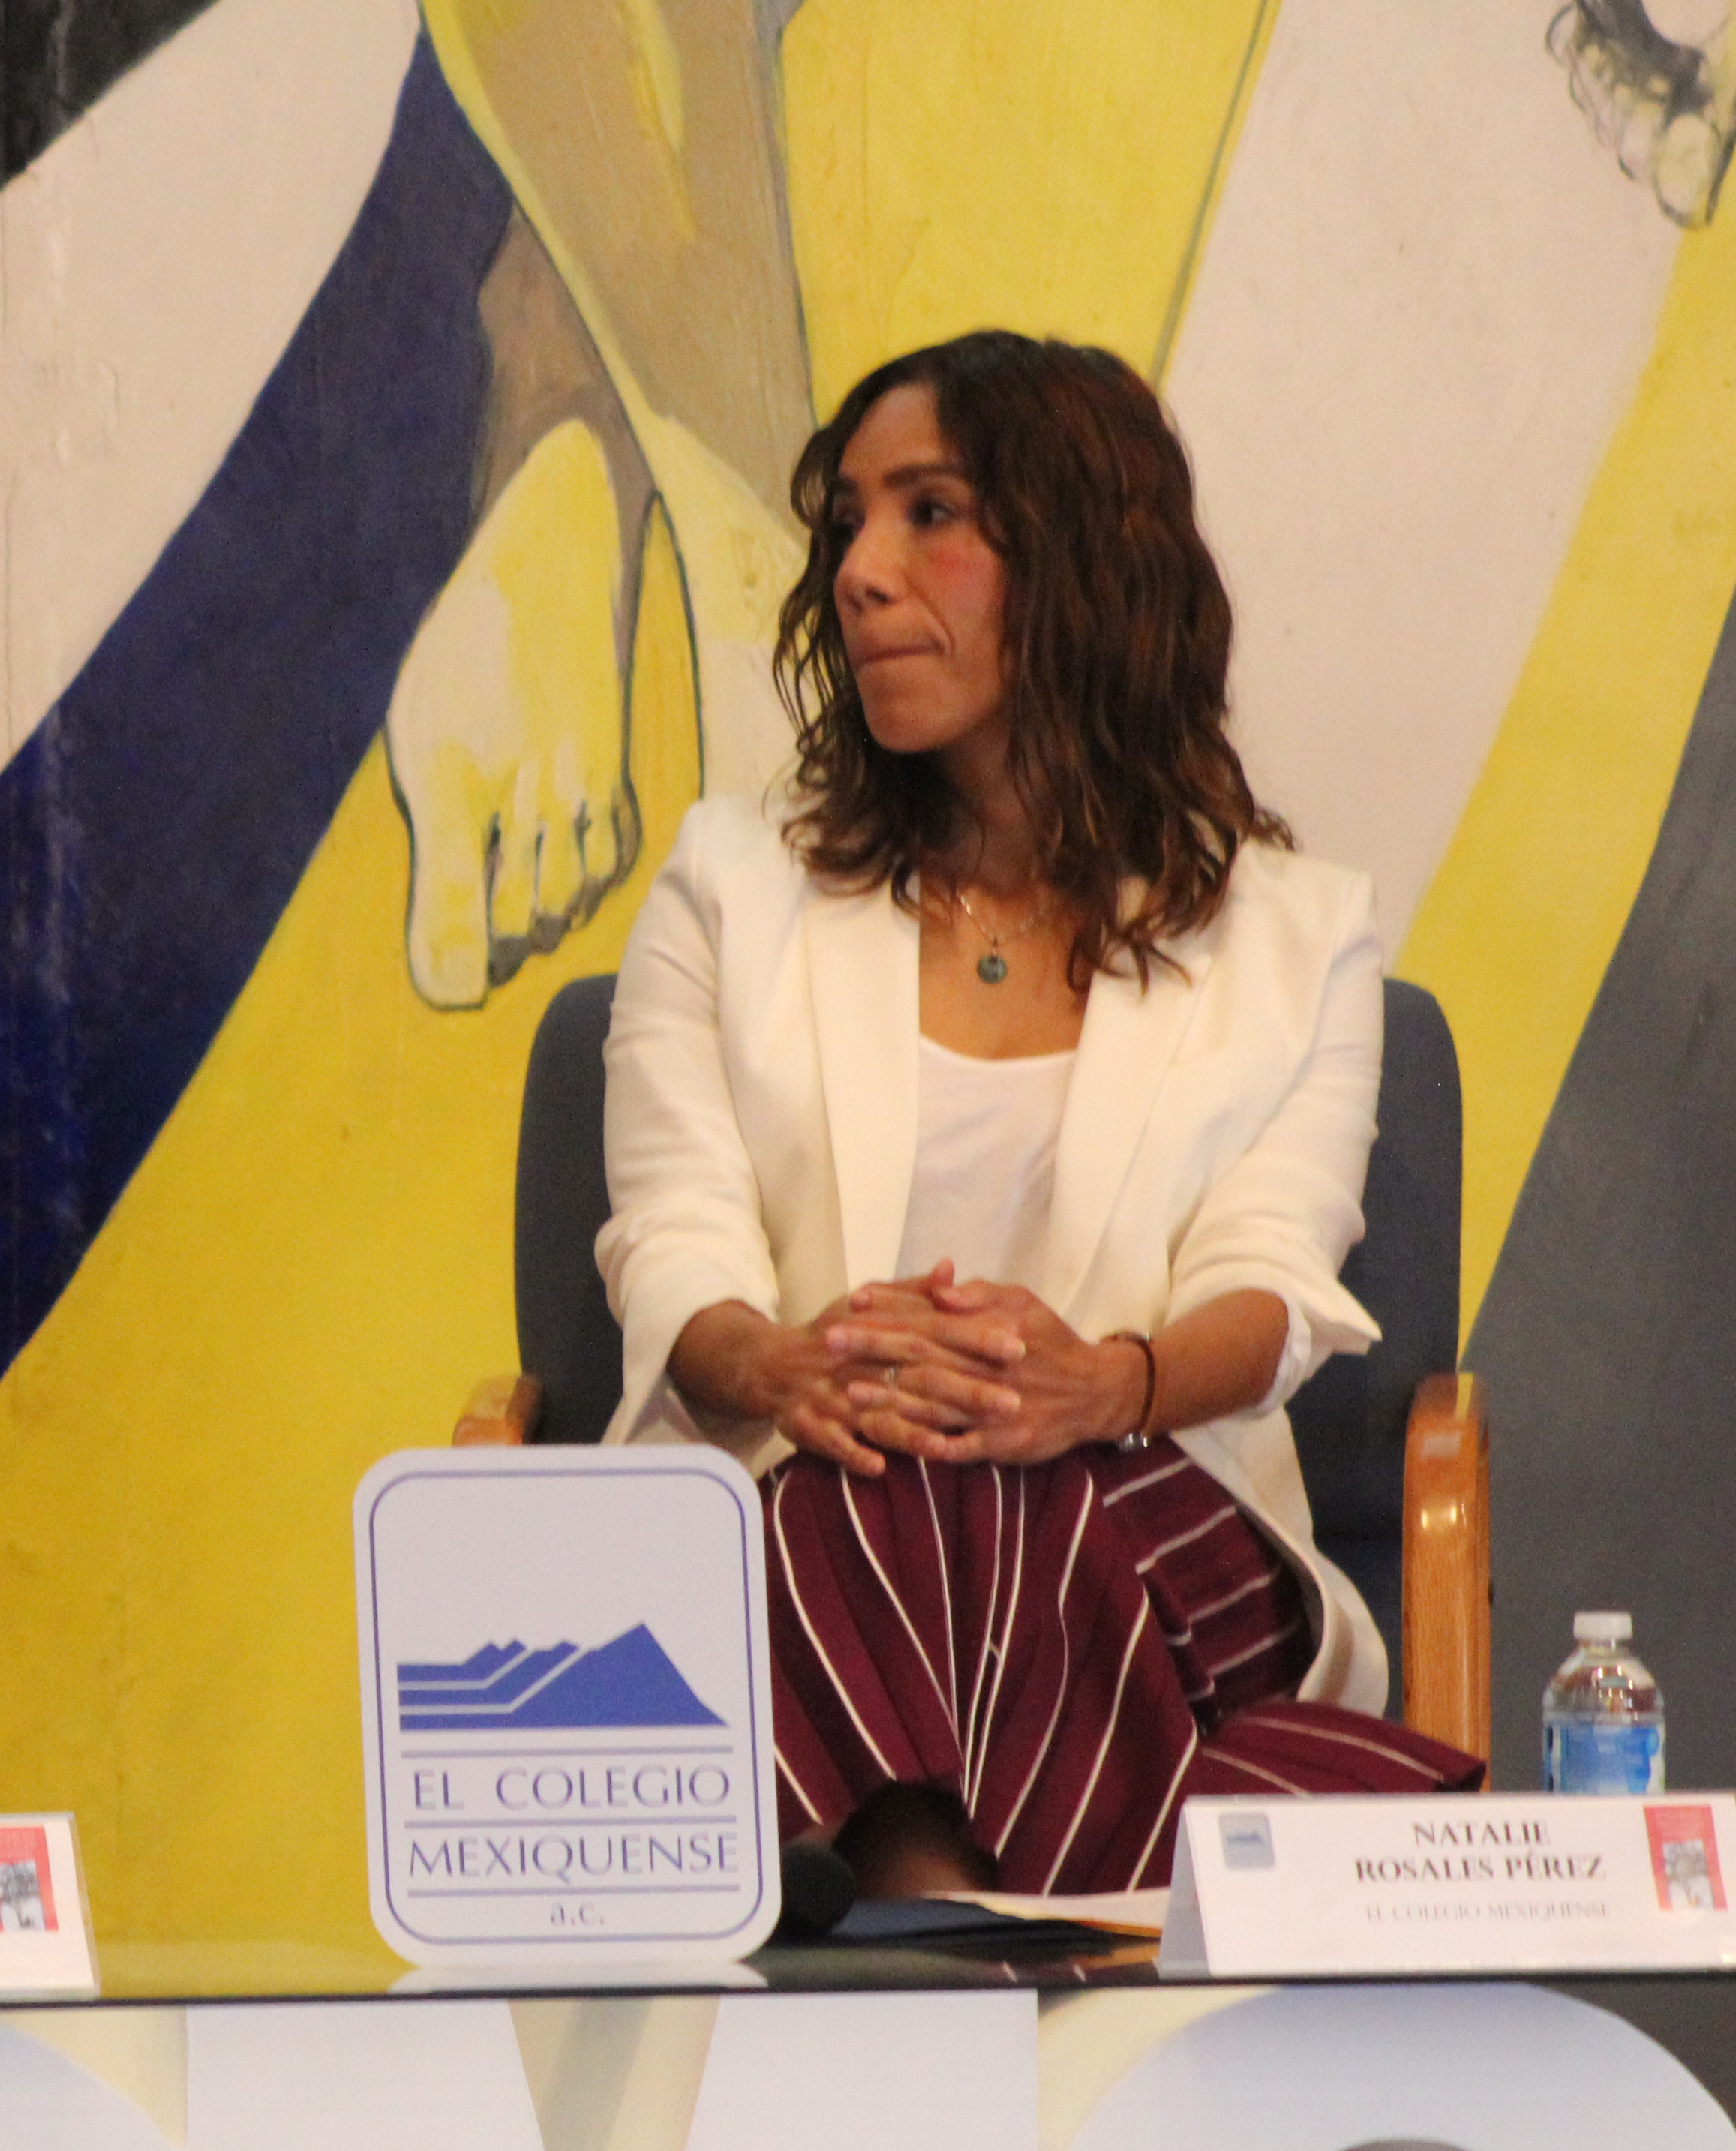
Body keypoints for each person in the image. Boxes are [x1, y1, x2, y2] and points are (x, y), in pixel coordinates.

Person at [595, 329, 1479, 1900]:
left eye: (929, 512)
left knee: (993, 1485)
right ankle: (1018, 1955)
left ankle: (911, 1927)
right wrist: (794, 1370)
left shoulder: (1296, 937)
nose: (861, 572)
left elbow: (1271, 1286)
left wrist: (1095, 1387)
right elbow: (675, 1239)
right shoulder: (727, 888)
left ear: (1082, 563)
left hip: (1159, 1546)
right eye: (847, 523)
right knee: (898, 1480)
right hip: (810, 1538)